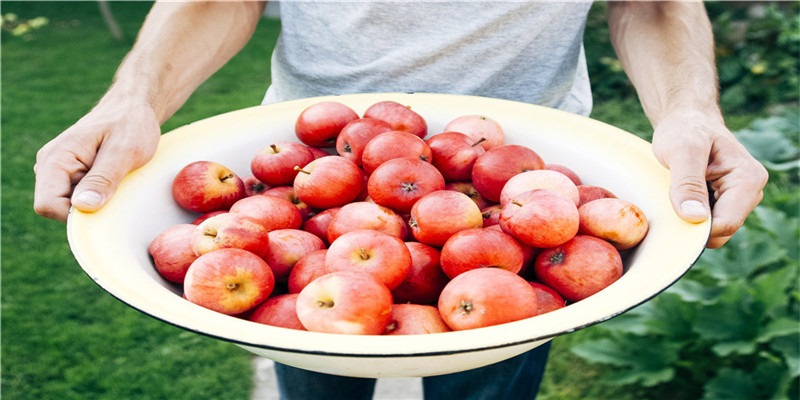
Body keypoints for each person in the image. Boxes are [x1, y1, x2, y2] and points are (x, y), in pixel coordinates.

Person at [32, 2, 768, 399]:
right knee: (314, 361)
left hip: (532, 171)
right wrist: (135, 98)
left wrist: (689, 111)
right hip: (315, 164)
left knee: (493, 378)